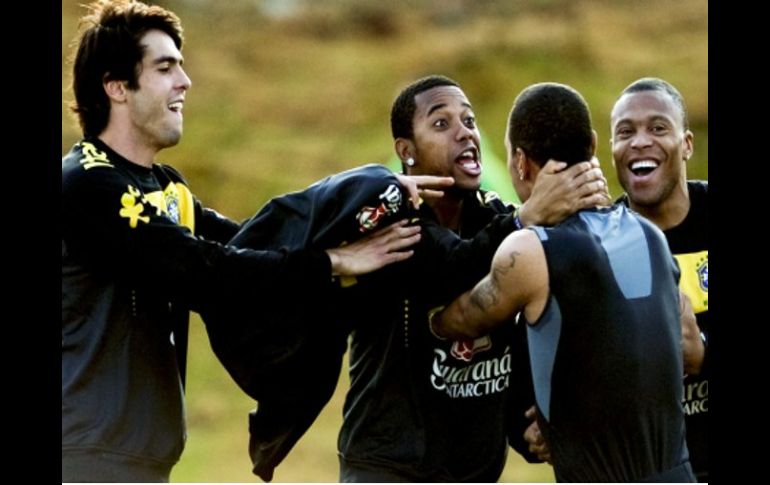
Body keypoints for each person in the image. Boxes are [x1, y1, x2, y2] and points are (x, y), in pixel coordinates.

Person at [61, 1, 423, 481]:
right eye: (165, 67)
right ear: (116, 87)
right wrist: (331, 261)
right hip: (83, 457)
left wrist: (368, 205)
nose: (185, 82)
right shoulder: (85, 184)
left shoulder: (168, 188)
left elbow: (254, 246)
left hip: (140, 460)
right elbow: (208, 272)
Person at [335, 75, 610, 482]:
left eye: (469, 119)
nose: (464, 131)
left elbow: (508, 336)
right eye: (442, 124)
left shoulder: (492, 217)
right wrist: (527, 217)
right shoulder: (389, 222)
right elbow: (448, 268)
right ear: (406, 151)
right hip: (390, 469)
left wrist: (532, 427)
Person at [430, 82, 695, 482]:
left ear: (520, 163)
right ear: (592, 144)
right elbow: (661, 349)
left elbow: (455, 320)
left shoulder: (530, 250)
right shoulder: (648, 234)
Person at [610, 77, 708, 482]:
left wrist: (702, 353)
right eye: (625, 132)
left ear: (686, 144)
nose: (639, 142)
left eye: (658, 128)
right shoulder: (597, 243)